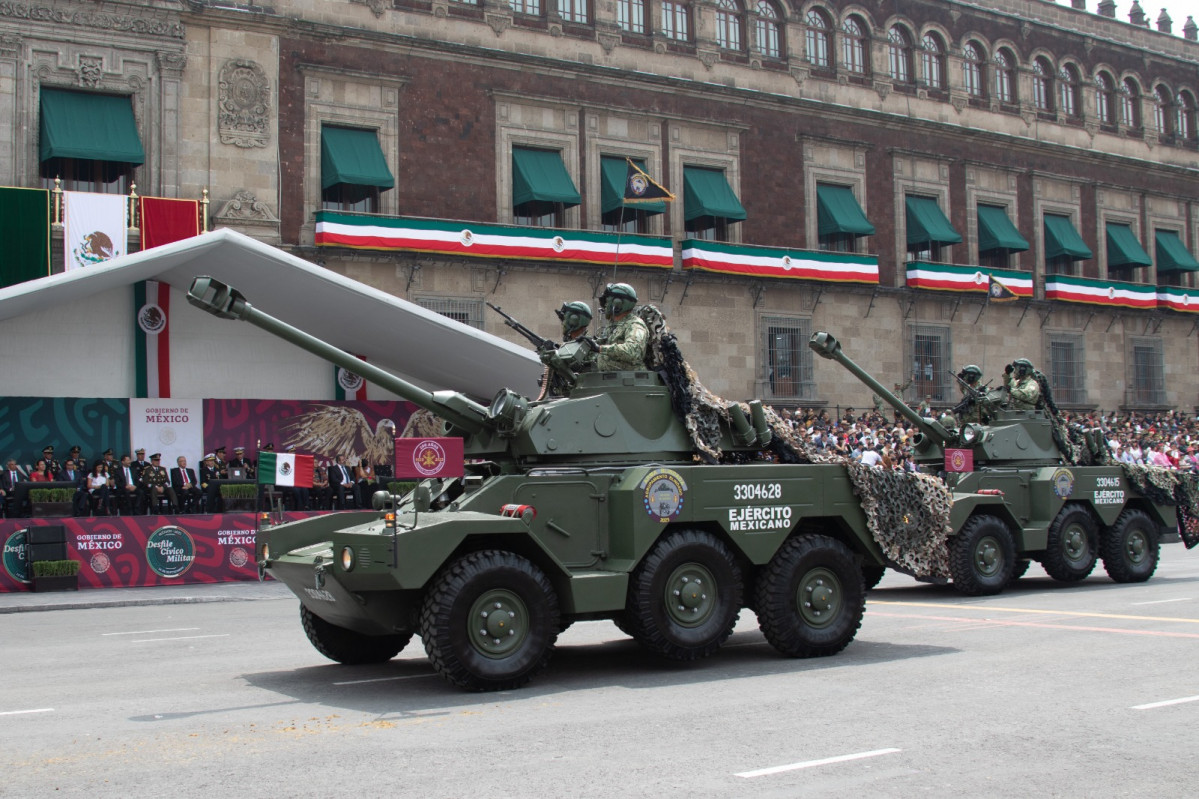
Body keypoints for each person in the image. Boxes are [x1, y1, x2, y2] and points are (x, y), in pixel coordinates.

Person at [539, 300, 595, 396]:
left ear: (574, 321)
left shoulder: (587, 345)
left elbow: (582, 371)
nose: (563, 323)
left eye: (565, 319)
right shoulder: (569, 343)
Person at [595, 282, 648, 371]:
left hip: (630, 381)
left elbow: (633, 351)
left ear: (618, 303)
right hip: (609, 379)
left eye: (608, 302)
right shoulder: (612, 325)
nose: (606, 306)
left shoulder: (635, 324)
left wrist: (600, 348)